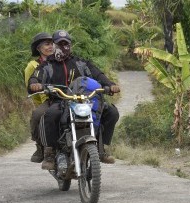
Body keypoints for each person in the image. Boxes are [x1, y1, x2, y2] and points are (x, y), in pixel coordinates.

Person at [28, 30, 120, 170]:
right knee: (49, 115)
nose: (64, 47)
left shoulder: (81, 63)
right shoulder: (47, 65)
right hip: (59, 100)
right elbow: (36, 76)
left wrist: (110, 84)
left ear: (70, 45)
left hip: (83, 99)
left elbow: (97, 74)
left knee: (112, 112)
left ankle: (102, 148)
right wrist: (35, 83)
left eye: (67, 44)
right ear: (54, 45)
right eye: (60, 44)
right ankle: (49, 153)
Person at [25, 32, 54, 163]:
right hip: (46, 100)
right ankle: (40, 146)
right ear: (38, 48)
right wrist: (42, 100)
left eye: (52, 43)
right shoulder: (32, 66)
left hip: (65, 97)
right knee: (37, 115)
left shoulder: (59, 61)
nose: (51, 47)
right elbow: (31, 88)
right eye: (47, 44)